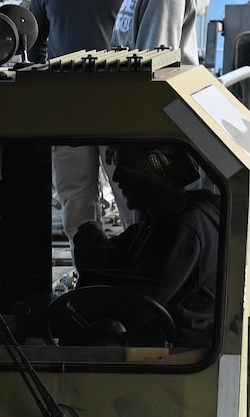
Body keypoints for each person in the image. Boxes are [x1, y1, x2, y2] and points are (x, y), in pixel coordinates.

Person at [32, 0, 139, 238]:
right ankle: (88, 276)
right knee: (74, 199)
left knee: (133, 195)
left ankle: (143, 269)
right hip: (68, 106)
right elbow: (34, 41)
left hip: (119, 105)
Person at [68, 143, 221, 348]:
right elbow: (118, 257)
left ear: (156, 166)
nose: (117, 177)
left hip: (171, 356)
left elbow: (133, 312)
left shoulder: (182, 229)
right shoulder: (158, 222)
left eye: (127, 165)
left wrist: (41, 320)